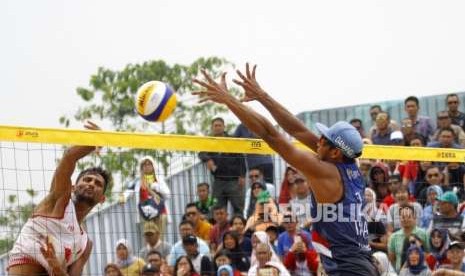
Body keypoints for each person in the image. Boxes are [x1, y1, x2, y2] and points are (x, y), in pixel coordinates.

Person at [193, 64, 376, 275]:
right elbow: (297, 129)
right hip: (360, 263)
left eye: (324, 139)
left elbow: (271, 135)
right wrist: (262, 96)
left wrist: (228, 100)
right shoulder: (350, 164)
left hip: (349, 269)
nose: (319, 140)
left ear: (335, 152)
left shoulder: (325, 171)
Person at [7, 121, 110, 275]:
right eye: (87, 179)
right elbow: (69, 158)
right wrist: (95, 141)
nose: (91, 184)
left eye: (97, 183)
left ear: (102, 198)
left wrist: (56, 267)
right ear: (73, 187)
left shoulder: (85, 244)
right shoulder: (60, 199)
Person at [199, 117, 246, 216]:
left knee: (238, 208)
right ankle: (220, 231)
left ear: (224, 127)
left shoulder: (232, 140)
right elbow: (201, 153)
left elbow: (241, 158)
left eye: (219, 125)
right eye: (215, 125)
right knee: (217, 210)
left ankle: (239, 229)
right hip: (218, 181)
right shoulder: (209, 141)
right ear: (212, 128)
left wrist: (242, 175)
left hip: (233, 180)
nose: (217, 127)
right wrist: (208, 159)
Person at [135, 155, 171, 236]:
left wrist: (156, 187)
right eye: (144, 165)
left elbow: (168, 194)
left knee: (160, 236)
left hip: (160, 211)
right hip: (146, 214)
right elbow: (129, 190)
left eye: (149, 164)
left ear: (153, 166)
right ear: (141, 168)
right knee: (149, 237)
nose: (147, 166)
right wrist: (123, 197)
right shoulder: (138, 182)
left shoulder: (159, 179)